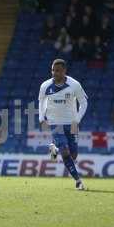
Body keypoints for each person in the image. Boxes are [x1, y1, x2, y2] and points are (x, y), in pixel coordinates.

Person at [38, 59, 88, 190]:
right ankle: (78, 181)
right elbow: (41, 101)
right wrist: (41, 117)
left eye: (58, 70)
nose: (55, 73)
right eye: (53, 70)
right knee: (65, 152)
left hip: (72, 123)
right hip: (55, 122)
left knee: (73, 155)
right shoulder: (45, 86)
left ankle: (54, 147)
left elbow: (84, 103)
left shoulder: (74, 84)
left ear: (64, 71)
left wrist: (77, 119)